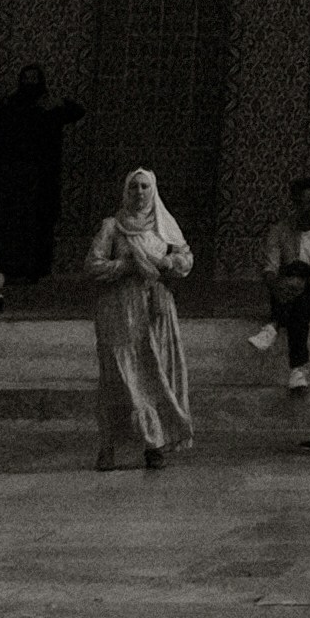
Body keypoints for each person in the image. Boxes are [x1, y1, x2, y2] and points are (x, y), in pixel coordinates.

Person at [92, 165, 196, 471]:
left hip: (155, 309)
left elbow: (185, 259)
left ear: (153, 191)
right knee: (121, 378)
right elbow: (94, 264)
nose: (139, 192)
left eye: (144, 187)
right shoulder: (112, 227)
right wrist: (125, 266)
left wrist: (168, 261)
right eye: (134, 187)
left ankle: (155, 445)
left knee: (154, 375)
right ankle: (109, 446)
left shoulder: (165, 226)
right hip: (120, 310)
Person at [0, 59, 80, 292]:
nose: (29, 84)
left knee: (35, 225)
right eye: (26, 79)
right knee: (8, 224)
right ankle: (7, 268)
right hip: (10, 178)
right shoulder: (10, 105)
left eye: (34, 80)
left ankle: (32, 270)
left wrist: (58, 103)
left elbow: (76, 110)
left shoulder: (48, 108)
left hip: (39, 179)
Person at [252, 173, 310, 406]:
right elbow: (270, 269)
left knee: (299, 270)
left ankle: (273, 325)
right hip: (287, 293)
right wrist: (279, 284)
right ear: (297, 205)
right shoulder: (280, 231)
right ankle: (298, 369)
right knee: (292, 278)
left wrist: (300, 282)